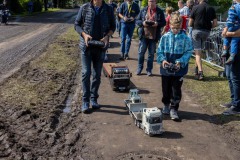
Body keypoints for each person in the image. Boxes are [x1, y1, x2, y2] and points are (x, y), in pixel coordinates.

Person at [74, 0, 116, 113]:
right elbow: (77, 25)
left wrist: (107, 36)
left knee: (97, 75)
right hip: (86, 46)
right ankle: (85, 101)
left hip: (100, 47)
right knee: (86, 73)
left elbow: (113, 26)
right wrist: (84, 34)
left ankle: (94, 99)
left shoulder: (108, 9)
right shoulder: (84, 8)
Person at [157, 12, 193, 120]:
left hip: (179, 69)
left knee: (176, 89)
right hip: (166, 68)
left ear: (181, 26)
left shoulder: (186, 38)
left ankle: (174, 108)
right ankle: (166, 105)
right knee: (165, 88)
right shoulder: (164, 37)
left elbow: (188, 52)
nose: (175, 30)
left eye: (177, 28)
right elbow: (159, 51)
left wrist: (181, 61)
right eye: (173, 28)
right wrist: (163, 60)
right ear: (169, 25)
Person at [188, 0, 217, 80]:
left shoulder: (195, 8)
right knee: (199, 52)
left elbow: (190, 23)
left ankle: (200, 72)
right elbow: (215, 24)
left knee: (197, 52)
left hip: (196, 31)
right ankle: (196, 70)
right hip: (206, 32)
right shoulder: (211, 8)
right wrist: (208, 26)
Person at [135, 0, 166, 76]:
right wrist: (142, 23)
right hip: (143, 35)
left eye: (152, 1)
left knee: (151, 54)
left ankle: (149, 70)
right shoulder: (143, 10)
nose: (151, 3)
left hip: (154, 36)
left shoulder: (160, 11)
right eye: (149, 1)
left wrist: (157, 24)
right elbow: (137, 20)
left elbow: (164, 22)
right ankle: (139, 68)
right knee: (141, 53)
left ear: (156, 2)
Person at [221, 28, 240, 115]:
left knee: (235, 77)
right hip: (231, 48)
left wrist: (228, 33)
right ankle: (233, 101)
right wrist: (225, 31)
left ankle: (237, 105)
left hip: (237, 49)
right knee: (229, 75)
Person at [221, 0, 240, 65]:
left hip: (231, 26)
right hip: (237, 26)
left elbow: (229, 19)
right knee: (234, 41)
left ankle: (225, 51)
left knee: (226, 38)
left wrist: (227, 30)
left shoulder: (233, 7)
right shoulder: (237, 6)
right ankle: (232, 55)